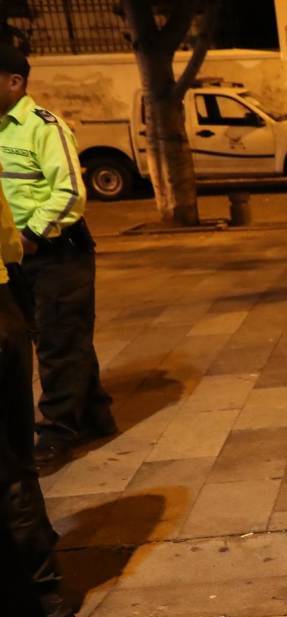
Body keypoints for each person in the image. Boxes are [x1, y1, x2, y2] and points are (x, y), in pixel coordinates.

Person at [0, 44, 113, 471]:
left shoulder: (44, 127)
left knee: (58, 339)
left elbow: (69, 193)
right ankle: (97, 411)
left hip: (56, 253)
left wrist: (31, 236)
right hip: (14, 258)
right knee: (64, 334)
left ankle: (56, 431)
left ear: (15, 81)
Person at [0, 179, 74, 617]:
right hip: (4, 303)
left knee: (7, 467)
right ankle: (44, 578)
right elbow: (9, 238)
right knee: (17, 454)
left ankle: (40, 589)